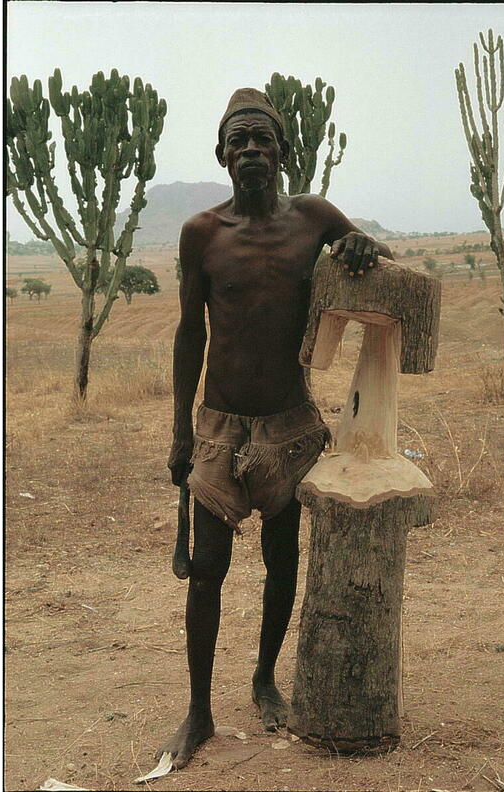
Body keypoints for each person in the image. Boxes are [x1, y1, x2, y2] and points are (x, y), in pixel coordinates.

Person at [159, 88, 393, 769]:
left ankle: (264, 678)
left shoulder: (312, 218)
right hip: (220, 431)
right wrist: (180, 433)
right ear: (223, 155)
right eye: (240, 141)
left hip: (290, 426)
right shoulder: (202, 232)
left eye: (263, 140)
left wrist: (356, 241)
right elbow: (186, 332)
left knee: (282, 560)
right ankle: (199, 711)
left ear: (283, 152)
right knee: (205, 570)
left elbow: (370, 254)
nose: (252, 150)